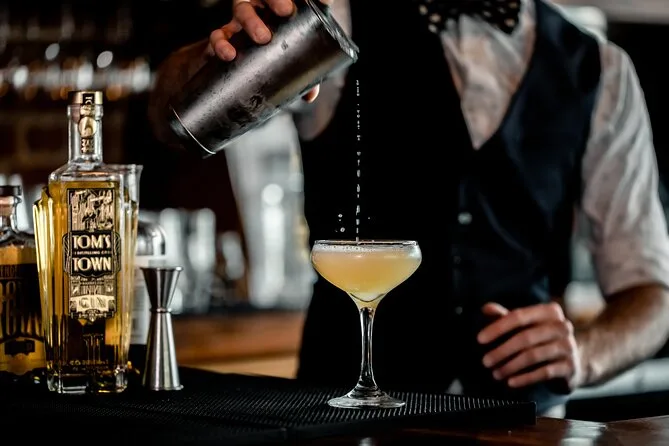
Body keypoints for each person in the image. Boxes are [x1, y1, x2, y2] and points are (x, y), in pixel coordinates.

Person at [148, 0, 669, 416]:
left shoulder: (601, 67)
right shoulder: (334, 19)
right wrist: (221, 57)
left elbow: (652, 296)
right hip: (342, 415)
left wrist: (585, 353)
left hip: (526, 422)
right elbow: (169, 122)